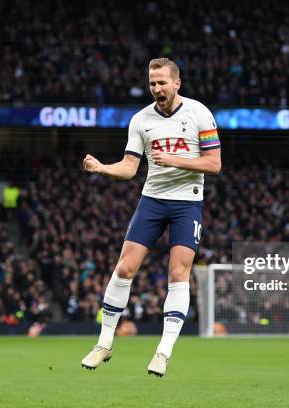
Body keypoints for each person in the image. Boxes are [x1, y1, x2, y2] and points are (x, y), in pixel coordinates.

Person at [80, 58, 221, 377]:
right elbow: (129, 168)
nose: (156, 88)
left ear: (177, 84)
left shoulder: (199, 113)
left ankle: (163, 351)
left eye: (162, 82)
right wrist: (103, 168)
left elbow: (214, 164)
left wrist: (173, 160)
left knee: (178, 271)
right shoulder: (141, 120)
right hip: (153, 201)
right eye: (152, 83)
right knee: (125, 266)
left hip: (187, 202)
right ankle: (104, 343)